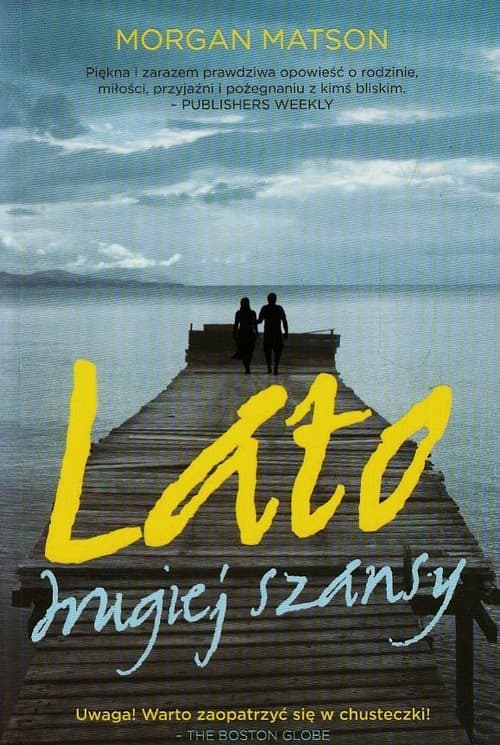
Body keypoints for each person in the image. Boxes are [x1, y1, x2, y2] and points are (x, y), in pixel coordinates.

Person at [257, 292, 288, 374]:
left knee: (268, 351)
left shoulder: (264, 308)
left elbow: (259, 321)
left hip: (268, 333)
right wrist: (286, 331)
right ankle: (276, 368)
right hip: (277, 333)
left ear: (268, 299)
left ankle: (269, 368)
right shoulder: (279, 308)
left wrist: (252, 321)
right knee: (278, 351)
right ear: (275, 299)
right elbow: (284, 320)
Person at [232, 297, 258, 374]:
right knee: (249, 351)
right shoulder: (252, 313)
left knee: (244, 351)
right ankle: (247, 367)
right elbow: (255, 325)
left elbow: (236, 324)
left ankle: (247, 367)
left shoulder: (238, 313)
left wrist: (234, 333)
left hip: (242, 333)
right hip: (250, 333)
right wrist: (256, 333)